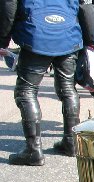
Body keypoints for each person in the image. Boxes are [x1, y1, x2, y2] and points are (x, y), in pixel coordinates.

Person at [0, 0, 83, 166]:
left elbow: (8, 6)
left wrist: (2, 40)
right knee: (68, 88)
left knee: (26, 92)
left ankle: (33, 149)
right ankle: (72, 142)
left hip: (37, 33)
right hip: (68, 32)